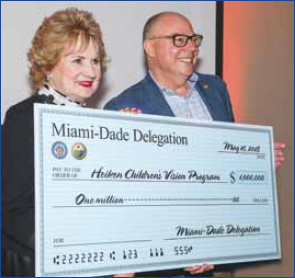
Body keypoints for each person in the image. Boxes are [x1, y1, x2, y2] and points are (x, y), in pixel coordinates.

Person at [104, 11, 285, 276]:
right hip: (161, 268)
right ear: (150, 48)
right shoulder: (122, 108)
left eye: (194, 40)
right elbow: (126, 200)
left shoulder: (216, 89)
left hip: (211, 258)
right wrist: (181, 247)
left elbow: (223, 166)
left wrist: (254, 163)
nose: (191, 48)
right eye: (179, 40)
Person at [1, 8, 111, 277]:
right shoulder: (24, 117)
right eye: (78, 60)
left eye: (95, 61)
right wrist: (66, 250)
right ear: (49, 65)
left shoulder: (101, 125)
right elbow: (11, 208)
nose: (91, 71)